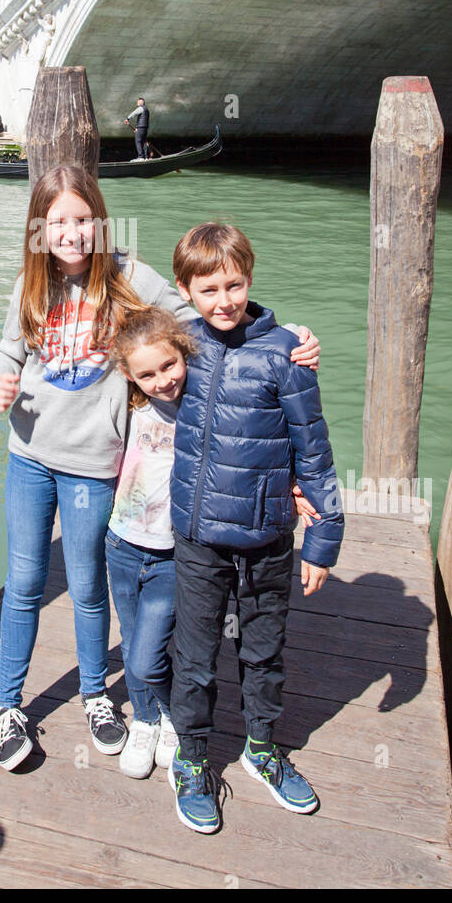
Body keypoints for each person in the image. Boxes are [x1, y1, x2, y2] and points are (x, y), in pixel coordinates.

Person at [0, 172, 323, 774]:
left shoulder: (130, 278)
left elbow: (206, 314)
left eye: (82, 219)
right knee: (26, 580)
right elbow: (11, 348)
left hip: (93, 465)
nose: (71, 232)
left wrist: (286, 336)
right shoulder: (29, 286)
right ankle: (9, 705)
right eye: (57, 221)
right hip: (30, 454)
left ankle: (94, 695)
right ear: (38, 229)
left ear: (101, 220)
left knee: (87, 587)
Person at [167, 222, 344, 833]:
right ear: (185, 291)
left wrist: (323, 539)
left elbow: (314, 451)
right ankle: (191, 760)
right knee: (193, 654)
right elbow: (126, 352)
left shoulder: (286, 354)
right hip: (197, 538)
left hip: (269, 536)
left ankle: (261, 750)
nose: (224, 300)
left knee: (263, 651)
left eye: (234, 284)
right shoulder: (180, 346)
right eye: (208, 288)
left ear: (250, 278)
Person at [106, 306, 319, 780]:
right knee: (136, 641)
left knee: (154, 654)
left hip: (176, 547)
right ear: (128, 374)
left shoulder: (201, 398)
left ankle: (178, 724)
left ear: (184, 355)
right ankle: (149, 720)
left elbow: (252, 407)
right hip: (122, 542)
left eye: (169, 365)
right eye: (147, 373)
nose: (162, 380)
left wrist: (294, 338)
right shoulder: (130, 399)